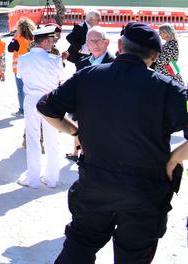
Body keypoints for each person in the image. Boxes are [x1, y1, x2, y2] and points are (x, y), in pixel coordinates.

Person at [37, 22, 188, 263]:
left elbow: (46, 107)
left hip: (95, 186)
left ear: (119, 46)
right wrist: (174, 158)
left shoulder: (87, 76)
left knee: (80, 246)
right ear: (156, 56)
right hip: (144, 192)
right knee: (133, 256)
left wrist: (76, 133)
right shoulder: (170, 90)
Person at [16, 26, 64, 189]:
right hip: (50, 99)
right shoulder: (55, 60)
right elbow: (61, 79)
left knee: (33, 138)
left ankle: (33, 178)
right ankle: (52, 178)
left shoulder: (23, 59)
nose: (52, 44)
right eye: (50, 41)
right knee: (52, 139)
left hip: (31, 100)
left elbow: (20, 76)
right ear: (44, 42)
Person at [66, 27, 115, 161]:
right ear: (86, 44)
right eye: (91, 41)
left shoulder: (115, 63)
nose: (95, 44)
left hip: (106, 117)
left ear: (107, 42)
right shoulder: (82, 63)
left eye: (99, 41)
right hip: (84, 114)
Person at [9, 16, 36, 116]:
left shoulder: (18, 40)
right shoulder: (34, 39)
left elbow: (10, 49)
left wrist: (14, 37)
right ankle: (32, 108)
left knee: (21, 89)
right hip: (32, 67)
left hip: (19, 68)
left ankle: (22, 110)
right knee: (32, 89)